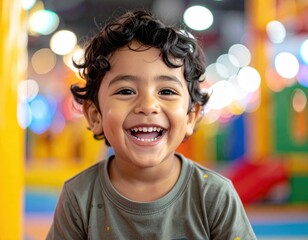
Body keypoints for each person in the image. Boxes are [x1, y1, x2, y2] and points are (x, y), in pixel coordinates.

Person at [47, 9, 257, 240]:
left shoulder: (214, 196)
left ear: (190, 116)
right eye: (126, 91)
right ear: (96, 116)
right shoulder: (80, 196)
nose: (148, 105)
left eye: (166, 91)